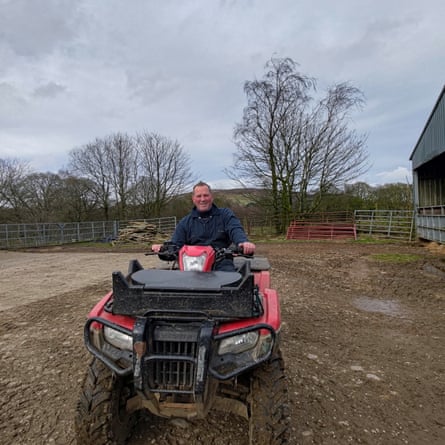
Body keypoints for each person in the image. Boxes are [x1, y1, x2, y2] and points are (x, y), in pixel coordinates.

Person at [152, 181, 255, 271]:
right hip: (192, 265)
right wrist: (162, 249)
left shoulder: (225, 215)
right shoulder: (185, 222)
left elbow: (235, 229)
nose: (202, 199)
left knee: (230, 285)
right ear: (193, 199)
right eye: (199, 196)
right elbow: (175, 245)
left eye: (206, 195)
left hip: (220, 262)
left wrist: (243, 242)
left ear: (211, 197)